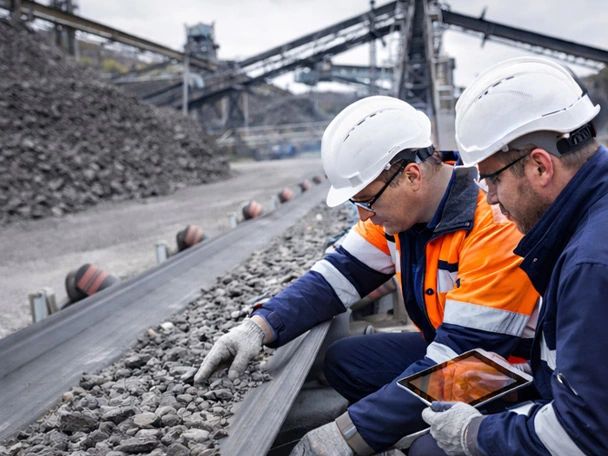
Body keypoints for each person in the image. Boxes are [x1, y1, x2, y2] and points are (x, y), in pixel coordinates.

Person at [195, 95, 539, 455]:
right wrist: (260, 327)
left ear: (411, 175)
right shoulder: (402, 216)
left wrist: (346, 438)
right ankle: (410, 425)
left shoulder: (494, 227)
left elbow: (457, 363)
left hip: (507, 369)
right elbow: (336, 276)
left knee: (429, 452)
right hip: (455, 349)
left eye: (366, 201)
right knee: (347, 362)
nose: (363, 216)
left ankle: (430, 433)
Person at [421, 56, 608, 456]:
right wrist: (531, 374)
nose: (488, 197)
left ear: (540, 167)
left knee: (429, 451)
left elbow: (583, 435)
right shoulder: (590, 226)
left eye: (493, 178)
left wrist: (474, 435)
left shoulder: (589, 265)